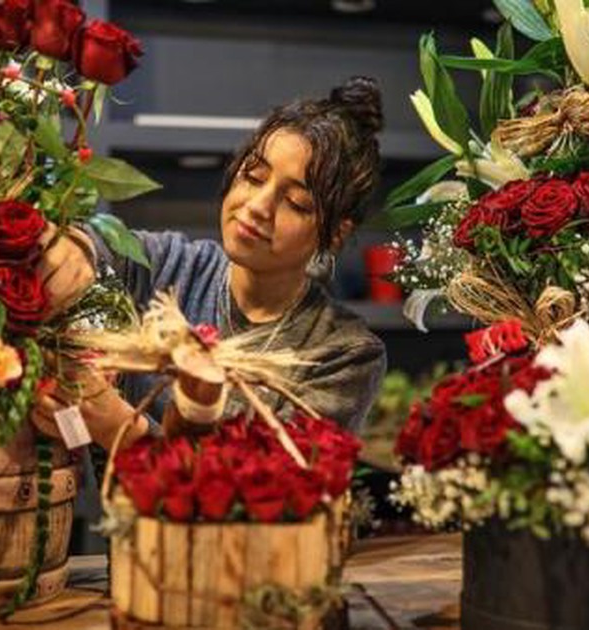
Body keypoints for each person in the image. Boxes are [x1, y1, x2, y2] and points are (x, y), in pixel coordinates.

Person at [36, 76, 388, 449]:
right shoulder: (171, 265)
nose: (257, 207)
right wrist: (71, 249)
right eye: (254, 176)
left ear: (335, 234)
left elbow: (268, 493)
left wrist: (123, 432)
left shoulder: (343, 354)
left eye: (296, 203)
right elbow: (99, 246)